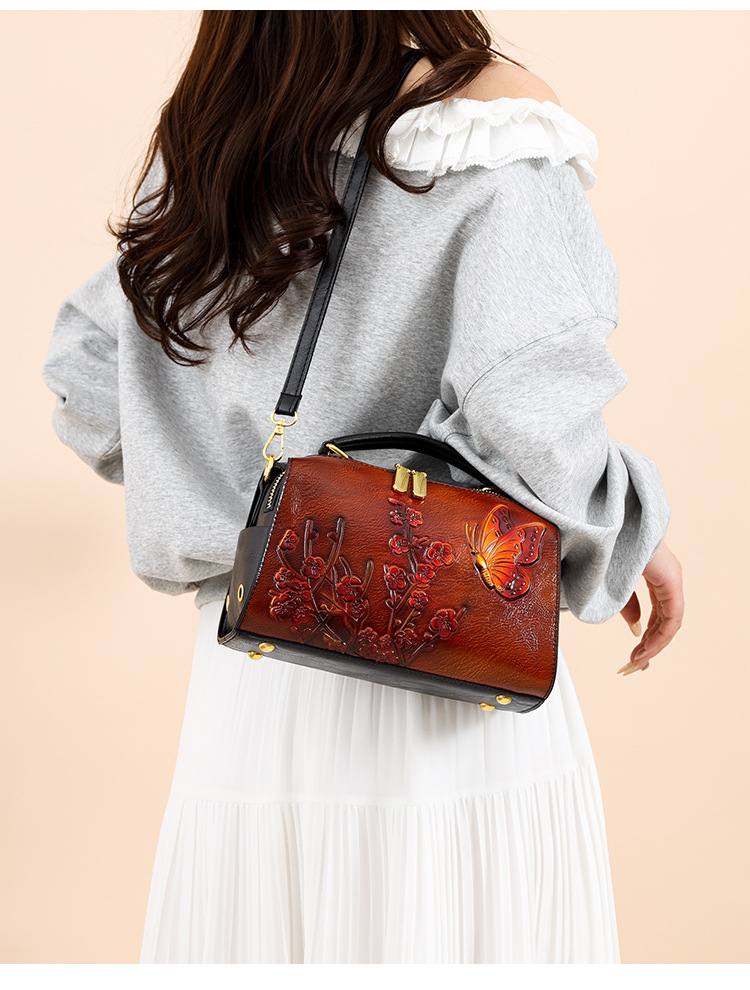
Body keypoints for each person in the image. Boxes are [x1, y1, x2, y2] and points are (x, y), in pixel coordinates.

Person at [41, 12, 684, 964]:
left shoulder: (216, 139)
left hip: (250, 688)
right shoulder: (497, 131)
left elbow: (89, 376)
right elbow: (533, 426)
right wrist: (628, 528)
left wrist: (265, 517)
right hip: (443, 674)